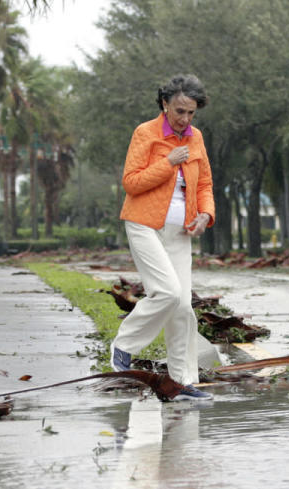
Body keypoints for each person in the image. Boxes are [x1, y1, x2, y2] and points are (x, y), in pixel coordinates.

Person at [109, 75, 215, 401]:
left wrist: (205, 216)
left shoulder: (195, 138)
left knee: (183, 307)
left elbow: (205, 185)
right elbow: (131, 182)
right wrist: (167, 163)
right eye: (179, 111)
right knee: (167, 293)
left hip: (181, 232)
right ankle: (123, 346)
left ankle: (181, 381)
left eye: (191, 113)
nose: (185, 119)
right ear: (165, 104)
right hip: (144, 224)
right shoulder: (146, 133)